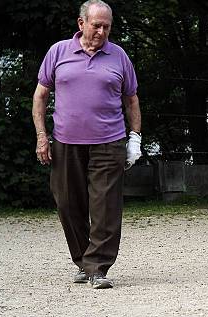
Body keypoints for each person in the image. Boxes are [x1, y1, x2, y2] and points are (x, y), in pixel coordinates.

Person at [32, 0, 142, 288]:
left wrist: (135, 138)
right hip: (66, 143)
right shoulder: (58, 52)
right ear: (81, 24)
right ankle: (83, 259)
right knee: (68, 204)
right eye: (96, 25)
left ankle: (98, 268)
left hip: (109, 142)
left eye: (107, 26)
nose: (102, 31)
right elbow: (41, 96)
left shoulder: (118, 56)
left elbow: (131, 99)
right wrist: (42, 136)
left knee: (105, 206)